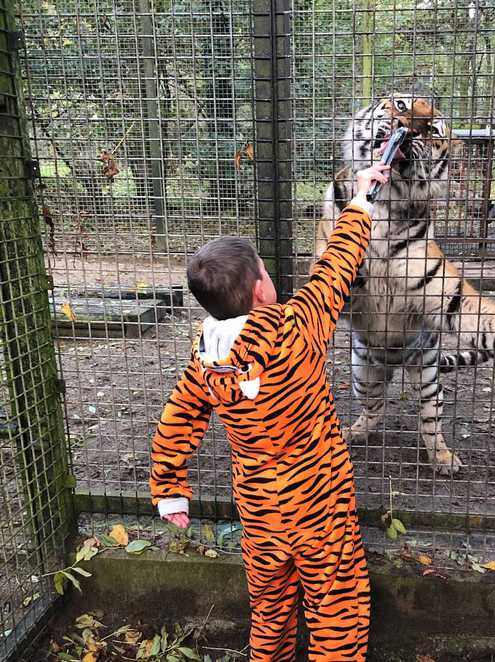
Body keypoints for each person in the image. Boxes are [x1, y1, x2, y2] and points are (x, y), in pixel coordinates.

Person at [150, 164, 390, 662]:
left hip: (261, 510)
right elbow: (335, 267)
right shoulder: (296, 328)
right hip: (318, 505)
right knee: (336, 605)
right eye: (264, 271)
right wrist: (363, 200)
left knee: (271, 607)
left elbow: (178, 418)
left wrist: (169, 488)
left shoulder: (206, 358)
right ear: (261, 288)